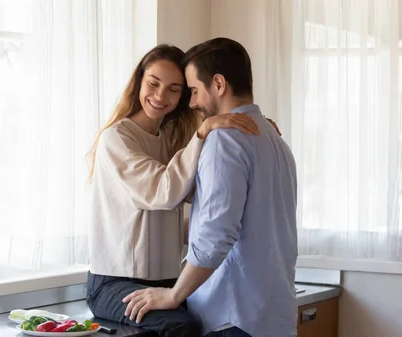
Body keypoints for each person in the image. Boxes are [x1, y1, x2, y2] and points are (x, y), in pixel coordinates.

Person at [123, 38, 298, 337]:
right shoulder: (275, 139)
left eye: (193, 91)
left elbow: (215, 236)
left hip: (231, 317)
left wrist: (173, 295)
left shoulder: (224, 141)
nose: (191, 103)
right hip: (273, 317)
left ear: (218, 84)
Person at [85, 44, 263, 337]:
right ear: (139, 81)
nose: (159, 96)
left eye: (173, 89)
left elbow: (195, 193)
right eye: (153, 84)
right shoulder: (116, 139)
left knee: (217, 320)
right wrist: (204, 130)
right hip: (114, 282)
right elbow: (163, 192)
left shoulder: (167, 140)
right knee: (182, 326)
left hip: (164, 280)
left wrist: (252, 130)